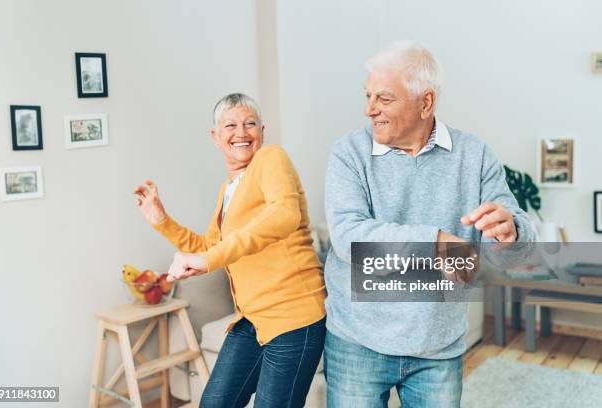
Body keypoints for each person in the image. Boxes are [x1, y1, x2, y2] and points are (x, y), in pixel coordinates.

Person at [323, 41, 535, 407]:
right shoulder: (349, 153)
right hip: (357, 342)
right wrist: (433, 240)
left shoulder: (475, 156)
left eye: (384, 99)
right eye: (368, 95)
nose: (369, 109)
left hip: (437, 348)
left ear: (425, 103)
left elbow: (512, 250)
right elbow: (349, 238)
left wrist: (511, 233)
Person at [134, 93, 326, 407]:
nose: (241, 132)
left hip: (294, 317)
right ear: (216, 136)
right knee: (215, 402)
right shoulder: (228, 190)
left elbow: (284, 215)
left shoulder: (271, 158)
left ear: (262, 132)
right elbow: (211, 247)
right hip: (252, 318)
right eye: (231, 125)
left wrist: (207, 259)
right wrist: (162, 221)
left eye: (250, 124)